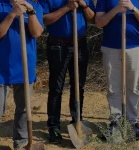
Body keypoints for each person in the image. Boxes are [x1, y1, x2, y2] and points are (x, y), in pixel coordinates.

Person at [0, 0, 44, 149]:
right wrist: (12, 14)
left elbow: (37, 33)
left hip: (25, 68)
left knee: (24, 108)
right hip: (0, 70)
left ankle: (21, 141)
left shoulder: (35, 6)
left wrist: (31, 12)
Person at [38, 0, 95, 143]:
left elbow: (93, 18)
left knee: (78, 86)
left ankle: (77, 121)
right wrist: (67, 8)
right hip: (57, 45)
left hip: (80, 44)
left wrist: (84, 5)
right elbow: (44, 19)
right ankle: (54, 127)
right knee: (56, 88)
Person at [94, 0, 139, 139]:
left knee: (132, 86)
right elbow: (99, 22)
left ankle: (132, 122)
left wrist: (132, 8)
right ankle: (115, 121)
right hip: (110, 47)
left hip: (134, 47)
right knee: (113, 87)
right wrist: (116, 10)